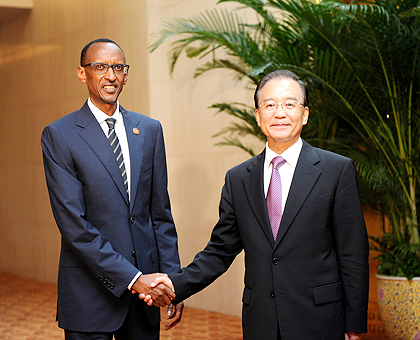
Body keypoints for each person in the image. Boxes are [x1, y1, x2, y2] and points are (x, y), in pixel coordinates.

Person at [141, 69, 369, 340]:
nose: (280, 113)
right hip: (261, 321)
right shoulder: (238, 179)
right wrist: (175, 285)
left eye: (289, 104)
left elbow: (352, 253)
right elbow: (220, 250)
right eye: (270, 105)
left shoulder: (336, 171)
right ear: (258, 115)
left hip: (320, 320)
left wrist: (353, 324)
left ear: (305, 114)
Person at [41, 38, 183, 340]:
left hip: (145, 297)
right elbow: (74, 225)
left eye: (118, 67)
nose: (111, 75)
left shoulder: (149, 130)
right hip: (89, 294)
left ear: (126, 74)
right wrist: (134, 279)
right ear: (83, 73)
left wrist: (173, 282)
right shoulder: (60, 135)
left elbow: (160, 214)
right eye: (100, 67)